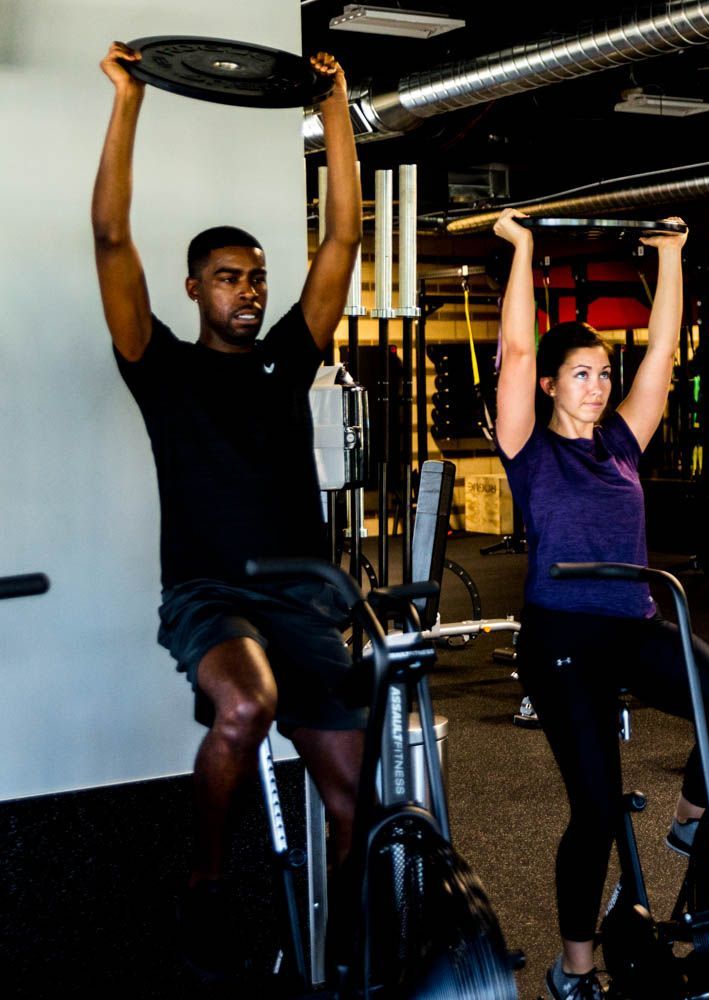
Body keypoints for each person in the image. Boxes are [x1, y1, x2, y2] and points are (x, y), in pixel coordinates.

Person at [92, 42, 363, 977]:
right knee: (246, 702)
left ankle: (347, 954)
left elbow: (341, 243)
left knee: (356, 806)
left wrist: (334, 107)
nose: (247, 292)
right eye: (227, 278)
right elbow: (111, 239)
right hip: (210, 597)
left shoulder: (291, 354)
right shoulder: (158, 368)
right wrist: (129, 100)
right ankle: (205, 885)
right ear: (193, 287)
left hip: (303, 599)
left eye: (254, 277)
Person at [491, 208, 709, 1000]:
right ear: (548, 384)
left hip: (634, 623)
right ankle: (574, 969)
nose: (600, 385)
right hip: (561, 638)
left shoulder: (621, 443)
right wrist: (523, 250)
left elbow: (664, 355)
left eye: (605, 373)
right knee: (597, 810)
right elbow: (510, 349)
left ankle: (685, 820)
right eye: (582, 373)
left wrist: (671, 257)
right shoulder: (528, 448)